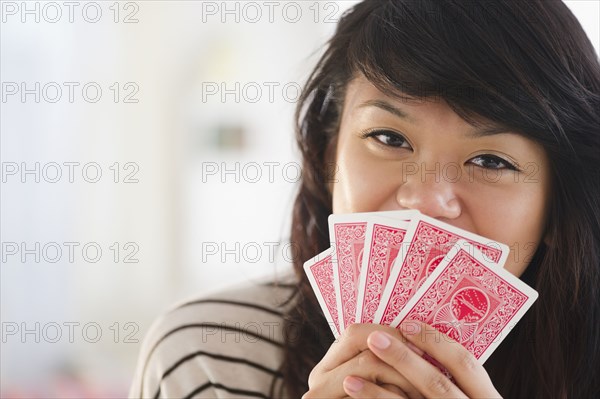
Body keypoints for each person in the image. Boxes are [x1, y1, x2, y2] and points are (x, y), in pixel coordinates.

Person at [130, 0, 600, 397]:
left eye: (492, 162)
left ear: (559, 204)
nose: (425, 200)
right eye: (389, 138)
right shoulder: (208, 356)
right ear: (327, 154)